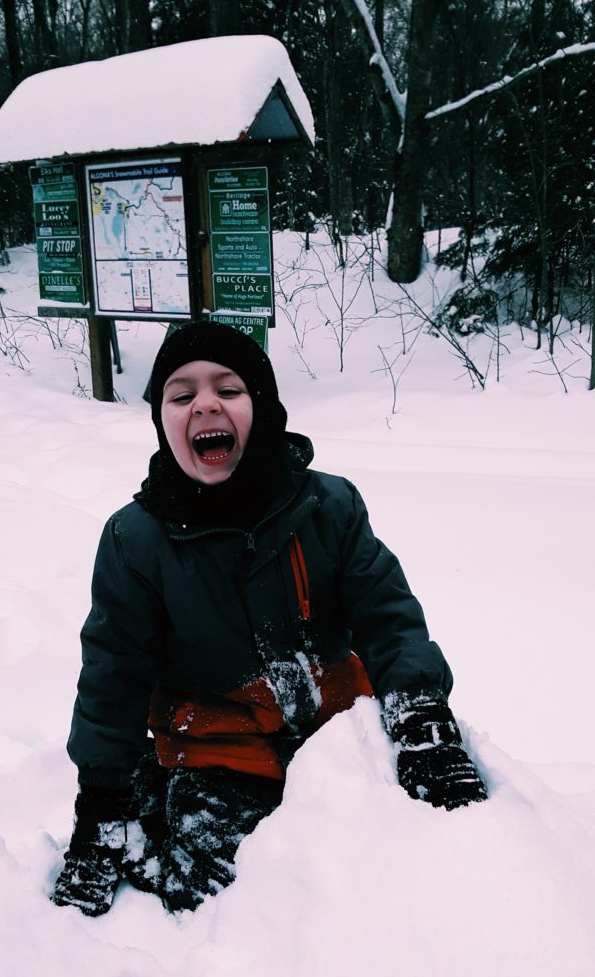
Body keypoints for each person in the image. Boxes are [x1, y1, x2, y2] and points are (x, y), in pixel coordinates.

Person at [52, 320, 487, 918]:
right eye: (181, 396)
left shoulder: (329, 507)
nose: (205, 403)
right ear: (163, 423)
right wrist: (100, 803)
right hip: (217, 740)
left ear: (263, 408)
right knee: (220, 901)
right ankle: (150, 810)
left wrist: (421, 716)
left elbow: (386, 614)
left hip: (331, 724)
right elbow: (113, 671)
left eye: (228, 390)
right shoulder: (136, 539)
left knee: (407, 866)